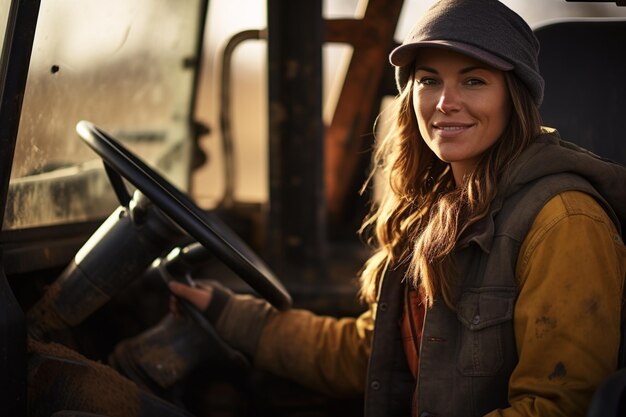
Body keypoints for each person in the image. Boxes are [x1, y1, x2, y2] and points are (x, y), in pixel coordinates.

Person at [168, 0, 626, 415]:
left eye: (474, 80)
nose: (446, 102)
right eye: (429, 81)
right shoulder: (435, 212)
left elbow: (559, 407)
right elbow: (370, 354)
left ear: (515, 98)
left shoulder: (565, 221)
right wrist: (229, 314)